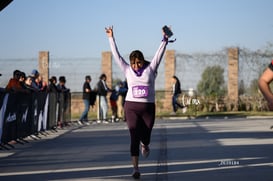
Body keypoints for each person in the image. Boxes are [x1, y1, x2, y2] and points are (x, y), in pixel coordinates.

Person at [105, 25, 172, 179]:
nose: (136, 66)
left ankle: (145, 144)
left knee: (146, 135)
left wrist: (164, 40)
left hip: (148, 108)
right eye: (133, 63)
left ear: (143, 61)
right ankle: (135, 168)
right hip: (131, 107)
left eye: (138, 62)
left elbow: (158, 55)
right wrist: (111, 38)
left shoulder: (151, 69)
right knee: (134, 136)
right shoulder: (127, 69)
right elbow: (116, 55)